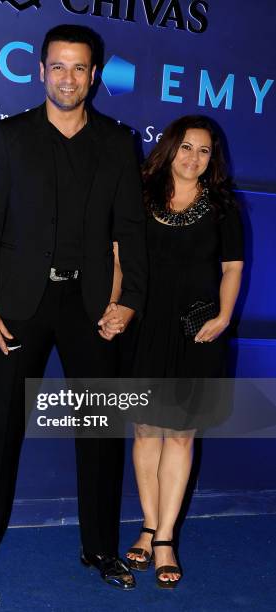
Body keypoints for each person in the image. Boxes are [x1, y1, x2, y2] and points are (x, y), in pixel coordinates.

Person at [0, 24, 147, 590]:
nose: (69, 78)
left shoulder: (117, 142)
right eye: (59, 67)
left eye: (80, 68)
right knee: (1, 428)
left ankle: (99, 549)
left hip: (90, 306)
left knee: (98, 430)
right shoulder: (11, 137)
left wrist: (131, 299)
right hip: (19, 305)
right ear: (41, 71)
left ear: (95, 75)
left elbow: (131, 229)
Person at [123, 116, 244, 588]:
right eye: (187, 147)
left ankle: (166, 538)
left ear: (213, 159)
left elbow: (232, 268)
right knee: (146, 430)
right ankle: (148, 525)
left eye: (205, 151)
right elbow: (119, 255)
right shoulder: (140, 195)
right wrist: (117, 307)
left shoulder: (223, 206)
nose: (194, 158)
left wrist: (223, 317)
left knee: (179, 433)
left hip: (199, 329)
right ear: (170, 147)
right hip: (146, 326)